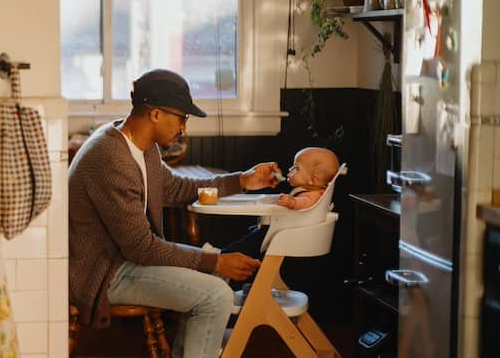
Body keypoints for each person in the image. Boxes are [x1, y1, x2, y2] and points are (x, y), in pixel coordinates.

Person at [68, 69, 282, 358]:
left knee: (215, 286)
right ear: (155, 114)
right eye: (182, 117)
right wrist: (215, 262)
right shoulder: (111, 157)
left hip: (123, 261)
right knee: (215, 295)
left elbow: (176, 188)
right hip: (103, 273)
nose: (183, 128)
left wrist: (242, 180)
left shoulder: (142, 147)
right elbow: (142, 248)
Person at [220, 146, 339, 260]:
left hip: (282, 236)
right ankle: (221, 256)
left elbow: (306, 203)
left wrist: (293, 202)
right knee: (251, 238)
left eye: (296, 168)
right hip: (279, 231)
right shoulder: (310, 191)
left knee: (245, 246)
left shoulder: (314, 195)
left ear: (313, 178)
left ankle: (223, 255)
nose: (290, 170)